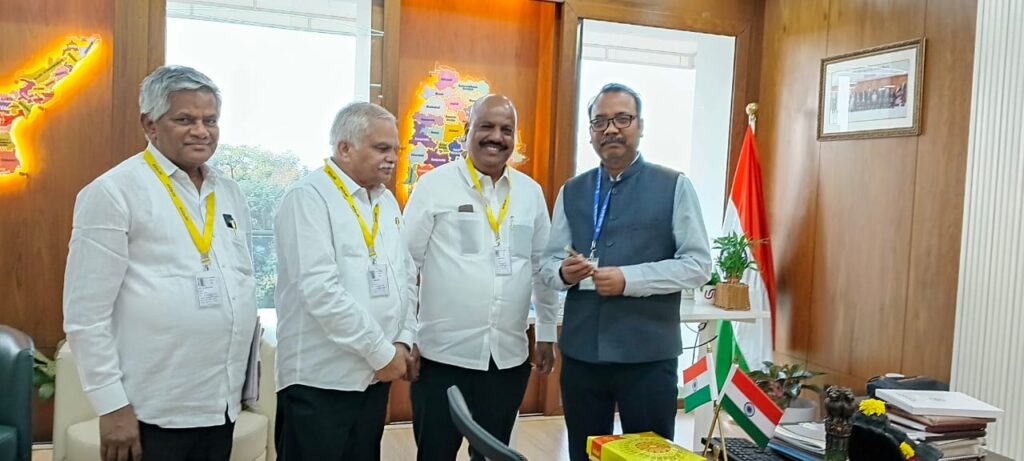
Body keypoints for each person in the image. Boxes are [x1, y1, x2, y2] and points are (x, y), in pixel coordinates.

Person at [63, 65, 257, 461]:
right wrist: (112, 406)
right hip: (149, 411)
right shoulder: (113, 192)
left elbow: (240, 279)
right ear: (150, 125)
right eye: (185, 120)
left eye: (210, 120)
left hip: (219, 404)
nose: (201, 131)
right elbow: (86, 316)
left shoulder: (229, 191)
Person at [541, 83, 712, 460]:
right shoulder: (573, 190)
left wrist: (629, 280)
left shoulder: (674, 186)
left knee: (649, 456)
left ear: (640, 125)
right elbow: (548, 265)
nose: (611, 129)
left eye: (622, 119)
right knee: (584, 453)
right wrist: (565, 273)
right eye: (600, 122)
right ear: (590, 132)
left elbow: (698, 265)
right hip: (582, 355)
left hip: (647, 357)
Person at [402, 94, 559, 461]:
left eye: (506, 129)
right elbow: (405, 265)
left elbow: (542, 266)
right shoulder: (434, 186)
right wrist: (405, 335)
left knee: (492, 456)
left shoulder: (530, 193)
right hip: (442, 359)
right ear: (467, 131)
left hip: (506, 360)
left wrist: (547, 332)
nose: (496, 137)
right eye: (486, 126)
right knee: (435, 455)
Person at [273, 102, 417, 460]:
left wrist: (403, 339)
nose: (392, 158)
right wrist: (382, 353)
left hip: (374, 377)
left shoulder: (386, 202)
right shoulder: (308, 198)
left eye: (395, 149)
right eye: (381, 148)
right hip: (321, 383)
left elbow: (406, 276)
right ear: (345, 148)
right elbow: (321, 291)